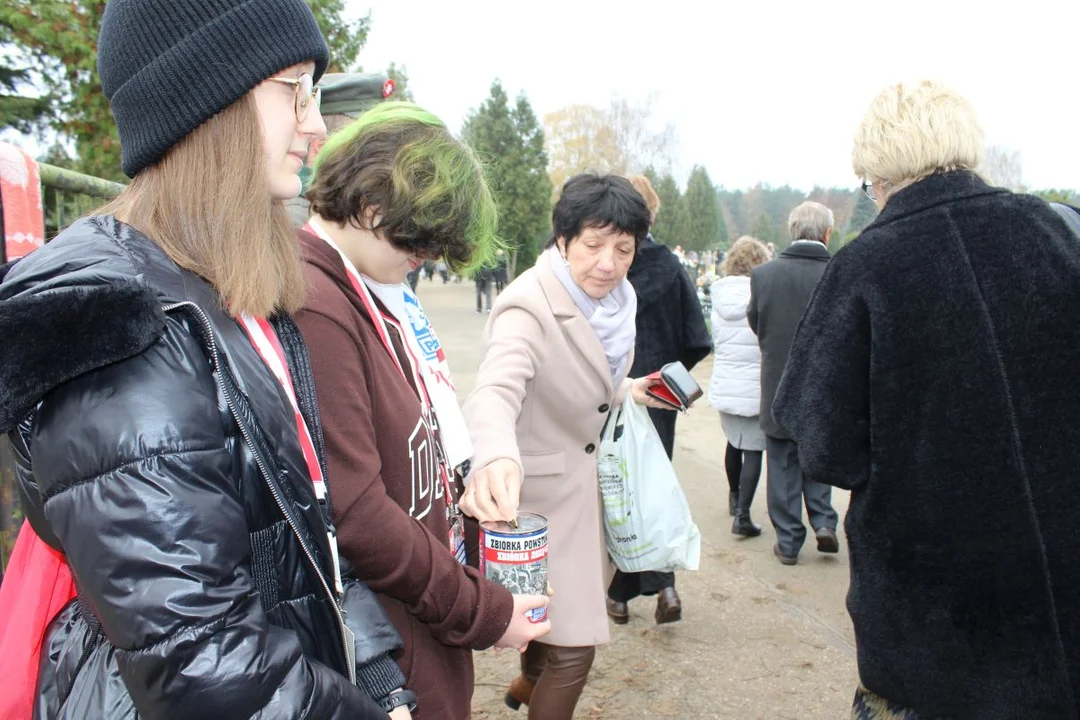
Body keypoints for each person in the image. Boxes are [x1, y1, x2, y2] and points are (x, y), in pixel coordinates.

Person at [0, 1, 408, 717]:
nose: (314, 124)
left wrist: (377, 673)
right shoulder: (118, 326)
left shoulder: (228, 285)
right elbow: (205, 667)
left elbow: (304, 522)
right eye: (294, 90)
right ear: (209, 94)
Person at [774, 79, 1080, 719]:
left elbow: (822, 443)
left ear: (880, 174)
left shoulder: (866, 265)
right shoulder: (1058, 238)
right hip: (1058, 596)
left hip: (935, 617)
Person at [294, 101, 550, 719]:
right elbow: (358, 517)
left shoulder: (373, 289)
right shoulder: (318, 305)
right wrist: (483, 612)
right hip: (388, 655)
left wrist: (466, 484)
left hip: (417, 636)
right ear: (374, 204)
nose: (427, 257)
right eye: (422, 237)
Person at [462, 174, 670, 719]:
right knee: (574, 654)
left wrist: (631, 389)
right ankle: (537, 688)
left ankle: (528, 686)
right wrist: (494, 454)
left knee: (547, 624)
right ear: (563, 241)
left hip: (584, 497)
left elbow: (588, 382)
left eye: (623, 249)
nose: (608, 263)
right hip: (535, 501)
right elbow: (495, 390)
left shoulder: (617, 304)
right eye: (594, 245)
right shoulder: (528, 305)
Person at [605, 174, 711, 626]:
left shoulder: (600, 265)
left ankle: (618, 592)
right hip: (656, 395)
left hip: (605, 393)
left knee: (613, 491)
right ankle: (664, 583)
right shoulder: (670, 267)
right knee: (653, 487)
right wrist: (670, 372)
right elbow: (697, 337)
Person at [748, 201, 839, 566]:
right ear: (827, 234)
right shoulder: (837, 272)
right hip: (826, 382)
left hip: (779, 379)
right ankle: (823, 522)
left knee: (783, 462)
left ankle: (788, 541)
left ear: (792, 229)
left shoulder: (764, 275)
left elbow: (757, 322)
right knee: (818, 455)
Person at [709, 236, 771, 537]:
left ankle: (734, 496)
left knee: (734, 441)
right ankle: (743, 515)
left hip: (727, 378)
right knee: (754, 449)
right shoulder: (762, 293)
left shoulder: (719, 296)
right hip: (755, 381)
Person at [284, 72, 391, 227]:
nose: (373, 159)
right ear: (322, 146)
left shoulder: (324, 213)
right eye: (361, 147)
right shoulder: (297, 221)